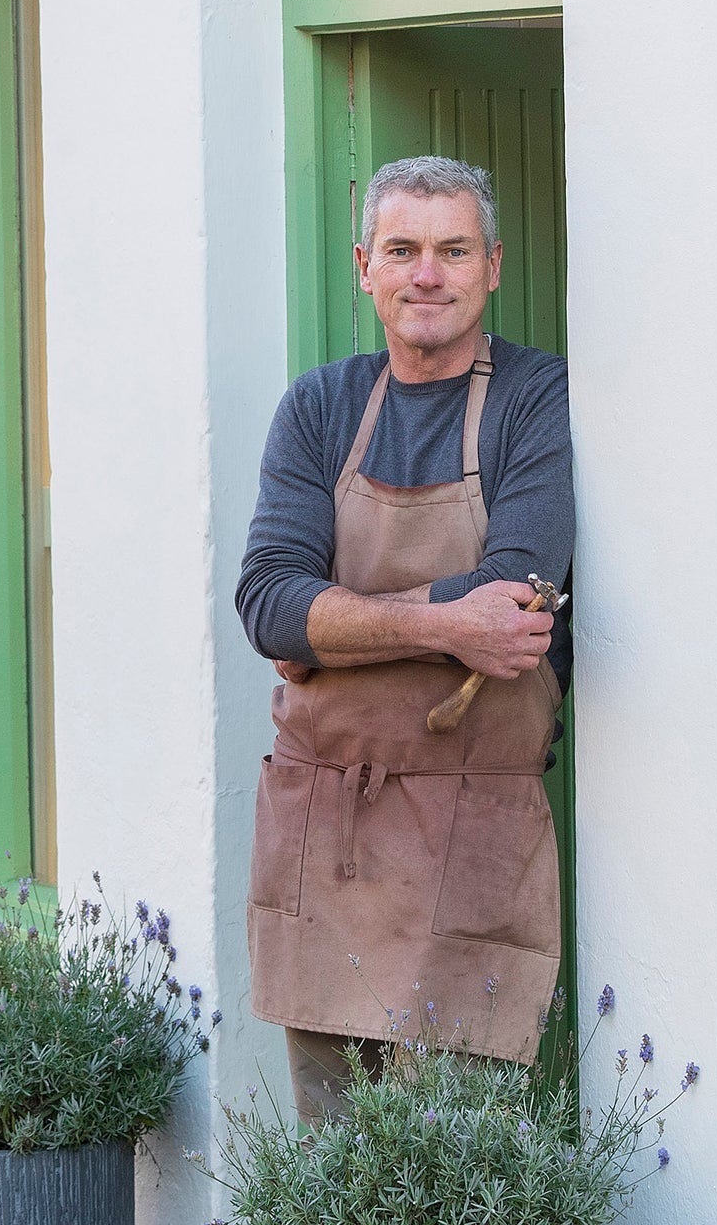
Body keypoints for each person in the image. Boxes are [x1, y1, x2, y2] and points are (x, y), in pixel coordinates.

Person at [237, 156, 574, 1123]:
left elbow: (512, 595)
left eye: (453, 250)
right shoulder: (319, 407)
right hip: (324, 829)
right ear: (365, 268)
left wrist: (335, 626)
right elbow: (267, 603)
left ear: (495, 266)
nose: (428, 273)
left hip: (476, 826)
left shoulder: (534, 400)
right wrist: (442, 626)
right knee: (335, 1160)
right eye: (404, 249)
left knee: (461, 1150)